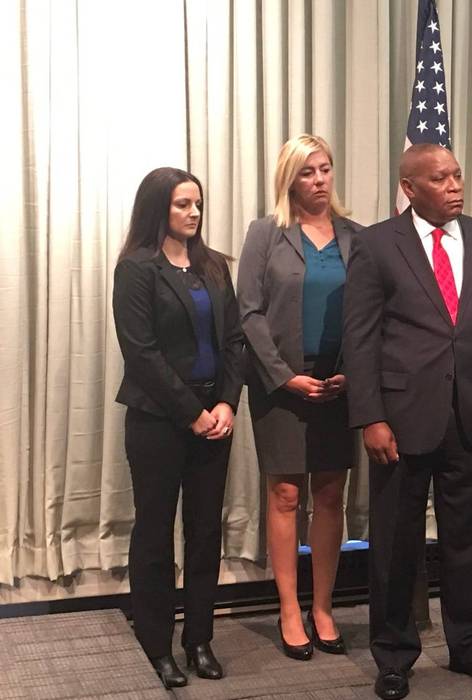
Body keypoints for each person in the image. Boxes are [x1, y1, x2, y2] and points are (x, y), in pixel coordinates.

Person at [343, 143, 472, 699]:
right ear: (409, 187)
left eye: (457, 175)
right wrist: (371, 416)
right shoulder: (375, 245)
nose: (453, 185)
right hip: (401, 420)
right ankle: (394, 658)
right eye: (439, 178)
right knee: (396, 547)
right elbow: (360, 337)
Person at [113, 167, 245, 688]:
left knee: (205, 531)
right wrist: (191, 412)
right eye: (182, 205)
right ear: (157, 209)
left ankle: (199, 640)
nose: (193, 213)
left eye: (197, 204)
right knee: (154, 533)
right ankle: (157, 645)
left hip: (216, 420)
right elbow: (141, 353)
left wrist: (228, 404)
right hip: (158, 422)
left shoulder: (213, 266)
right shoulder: (137, 269)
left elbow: (234, 341)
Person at [236, 134, 364, 661]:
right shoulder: (266, 234)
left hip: (339, 384)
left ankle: (324, 607)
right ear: (289, 177)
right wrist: (284, 376)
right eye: (308, 171)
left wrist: (353, 375)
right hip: (282, 386)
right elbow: (249, 312)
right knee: (286, 496)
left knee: (331, 494)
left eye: (326, 169)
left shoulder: (356, 236)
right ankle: (289, 608)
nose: (319, 180)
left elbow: (370, 313)